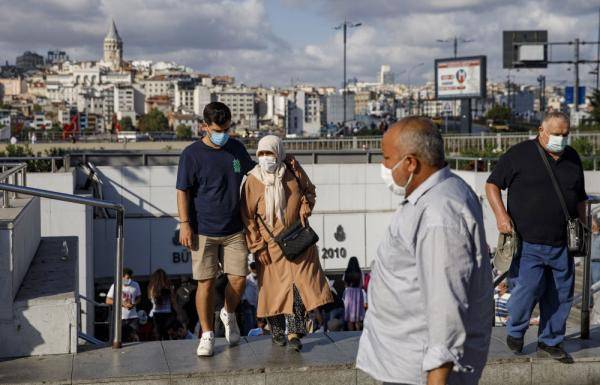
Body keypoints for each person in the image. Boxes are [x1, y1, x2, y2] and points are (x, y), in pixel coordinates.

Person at [356, 117, 493, 385]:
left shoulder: (439, 214)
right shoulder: (438, 195)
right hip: (406, 362)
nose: (383, 166)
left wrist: (437, 376)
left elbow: (446, 303)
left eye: (386, 158)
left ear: (410, 162)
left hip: (419, 371)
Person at [486, 111, 586, 363]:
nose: (561, 139)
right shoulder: (520, 154)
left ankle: (550, 341)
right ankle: (516, 331)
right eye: (556, 134)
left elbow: (580, 197)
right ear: (542, 131)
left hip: (562, 242)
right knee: (527, 290)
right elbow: (492, 184)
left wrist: (585, 226)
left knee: (561, 295)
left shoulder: (572, 157)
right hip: (528, 242)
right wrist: (501, 216)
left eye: (566, 134)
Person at [176, 102, 256, 357]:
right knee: (206, 284)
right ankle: (208, 334)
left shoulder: (235, 149)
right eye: (217, 130)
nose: (223, 134)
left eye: (227, 129)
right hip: (203, 230)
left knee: (239, 279)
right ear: (204, 127)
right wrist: (185, 224)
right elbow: (182, 191)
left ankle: (228, 313)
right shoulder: (191, 154)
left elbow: (253, 174)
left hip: (234, 229)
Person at [241, 135, 333, 352]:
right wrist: (257, 246)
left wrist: (305, 207)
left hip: (297, 242)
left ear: (279, 153)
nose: (266, 158)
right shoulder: (253, 180)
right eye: (262, 154)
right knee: (273, 291)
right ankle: (277, 332)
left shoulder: (292, 171)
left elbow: (309, 191)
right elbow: (247, 217)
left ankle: (294, 333)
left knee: (298, 289)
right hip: (270, 248)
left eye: (270, 153)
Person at [106, 268, 142, 342]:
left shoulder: (136, 284)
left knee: (135, 339)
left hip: (133, 317)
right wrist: (122, 304)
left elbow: (139, 297)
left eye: (131, 278)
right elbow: (108, 300)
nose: (129, 280)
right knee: (121, 340)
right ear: (121, 277)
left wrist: (134, 303)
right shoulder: (115, 285)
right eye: (127, 278)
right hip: (120, 318)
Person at [147, 269, 178, 340]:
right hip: (168, 313)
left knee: (158, 334)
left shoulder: (152, 288)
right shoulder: (169, 287)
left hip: (156, 313)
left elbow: (150, 298)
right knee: (166, 334)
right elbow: (173, 301)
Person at [342, 257, 365, 331]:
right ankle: (358, 333)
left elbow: (345, 284)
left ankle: (350, 333)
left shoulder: (346, 272)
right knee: (357, 317)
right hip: (358, 293)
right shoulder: (360, 272)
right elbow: (362, 284)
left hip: (349, 293)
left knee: (349, 318)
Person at [241, 261, 259, 335]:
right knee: (249, 321)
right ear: (251, 269)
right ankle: (248, 335)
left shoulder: (259, 277)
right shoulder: (247, 278)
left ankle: (253, 334)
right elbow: (242, 290)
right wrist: (244, 299)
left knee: (254, 320)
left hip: (255, 302)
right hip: (247, 302)